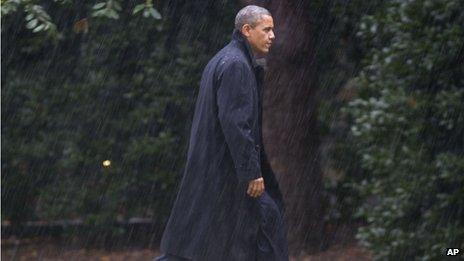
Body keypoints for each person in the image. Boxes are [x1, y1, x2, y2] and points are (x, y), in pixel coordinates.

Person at [155, 5, 288, 261]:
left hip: (218, 171)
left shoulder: (225, 59)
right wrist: (251, 172)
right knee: (266, 225)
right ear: (247, 30)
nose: (273, 36)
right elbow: (236, 122)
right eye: (267, 29)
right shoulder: (236, 65)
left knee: (203, 243)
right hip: (228, 173)